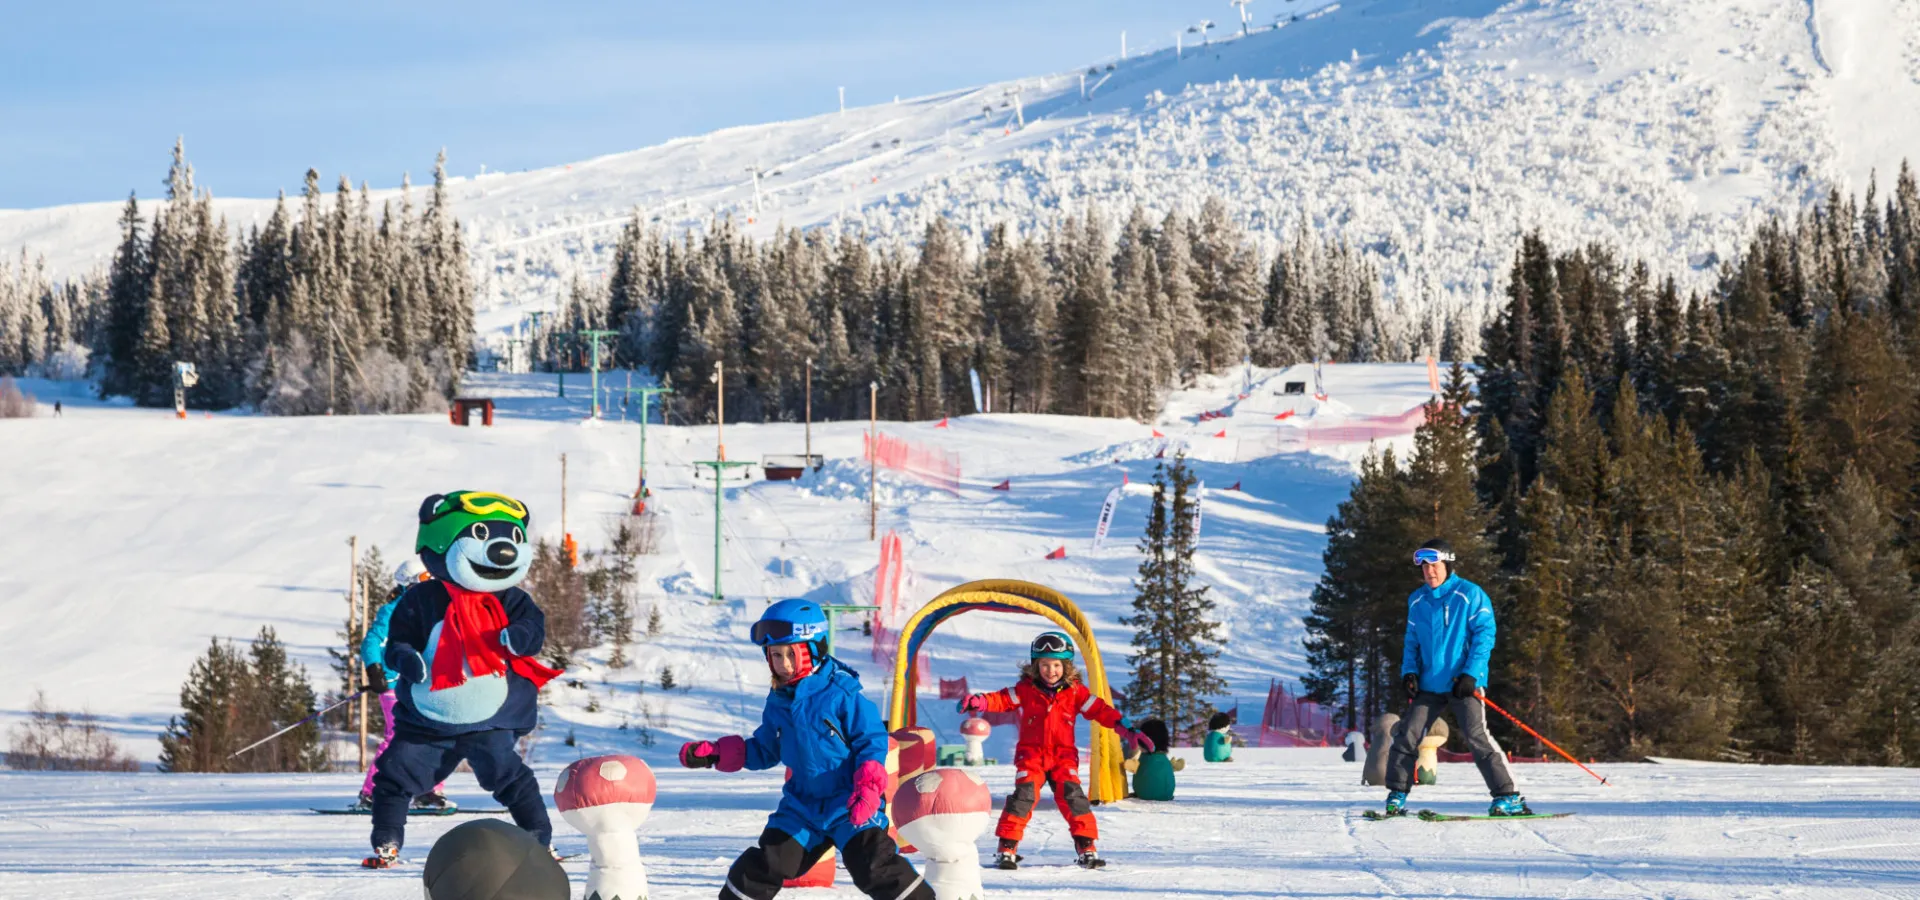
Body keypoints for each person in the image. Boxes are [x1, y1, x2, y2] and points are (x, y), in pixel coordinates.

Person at [679, 599, 933, 900]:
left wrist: (867, 788)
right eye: (775, 655)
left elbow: (871, 741)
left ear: (814, 650)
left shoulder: (843, 693)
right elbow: (764, 749)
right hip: (802, 807)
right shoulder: (778, 700)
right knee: (770, 861)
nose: (784, 664)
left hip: (850, 802)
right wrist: (717, 753)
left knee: (873, 866)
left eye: (791, 654)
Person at [364, 491, 563, 868]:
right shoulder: (421, 599)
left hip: (490, 719)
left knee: (509, 777)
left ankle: (539, 838)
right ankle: (386, 840)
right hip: (428, 719)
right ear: (439, 543)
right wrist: (405, 659)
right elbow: (398, 641)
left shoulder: (512, 599)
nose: (504, 551)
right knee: (394, 775)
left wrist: (518, 638)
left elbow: (533, 631)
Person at [958, 631, 1153, 870]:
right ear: (1035, 666)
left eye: (1057, 665)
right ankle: (1006, 849)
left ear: (1066, 666)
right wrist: (979, 701)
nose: (1051, 671)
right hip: (1031, 757)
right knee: (1023, 798)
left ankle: (1087, 848)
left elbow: (1102, 711)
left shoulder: (1076, 692)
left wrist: (1127, 729)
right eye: (1045, 665)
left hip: (1063, 758)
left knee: (1074, 799)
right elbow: (1001, 699)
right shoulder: (1025, 689)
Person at [1382, 538, 1530, 817]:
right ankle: (1397, 795)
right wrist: (1409, 672)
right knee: (1407, 735)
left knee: (1477, 737)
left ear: (1447, 565)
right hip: (1429, 684)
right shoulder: (1417, 600)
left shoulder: (1469, 594)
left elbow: (1485, 637)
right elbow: (1411, 640)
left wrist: (1471, 674)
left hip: (1462, 684)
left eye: (1434, 566)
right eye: (1424, 567)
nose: (1429, 572)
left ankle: (1507, 796)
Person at [354, 556, 449, 812]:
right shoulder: (393, 610)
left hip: (424, 684)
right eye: (425, 579)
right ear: (409, 583)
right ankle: (372, 794)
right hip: (396, 684)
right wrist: (375, 670)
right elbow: (371, 642)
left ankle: (427, 791)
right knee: (397, 735)